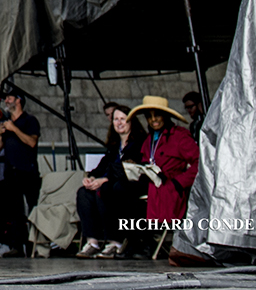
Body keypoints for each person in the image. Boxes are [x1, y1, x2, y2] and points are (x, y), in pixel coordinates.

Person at [75, 103, 145, 259]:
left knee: (104, 190)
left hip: (128, 186)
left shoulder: (139, 143)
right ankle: (92, 242)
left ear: (131, 121)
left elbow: (127, 170)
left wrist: (103, 180)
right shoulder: (114, 146)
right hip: (108, 184)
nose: (119, 123)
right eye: (116, 119)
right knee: (84, 192)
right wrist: (91, 178)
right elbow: (102, 167)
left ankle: (115, 242)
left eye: (123, 119)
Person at [127, 95, 200, 224]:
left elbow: (200, 163)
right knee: (115, 190)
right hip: (150, 188)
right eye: (149, 116)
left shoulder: (179, 136)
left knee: (121, 190)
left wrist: (178, 183)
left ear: (165, 116)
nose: (153, 119)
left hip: (168, 189)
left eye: (157, 115)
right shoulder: (148, 140)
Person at [0, 90, 40, 258]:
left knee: (33, 207)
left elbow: (32, 142)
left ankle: (37, 245)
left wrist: (15, 129)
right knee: (14, 210)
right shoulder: (5, 122)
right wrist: (0, 134)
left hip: (27, 170)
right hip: (10, 172)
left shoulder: (29, 120)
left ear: (19, 101)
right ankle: (17, 246)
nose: (6, 100)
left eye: (10, 98)